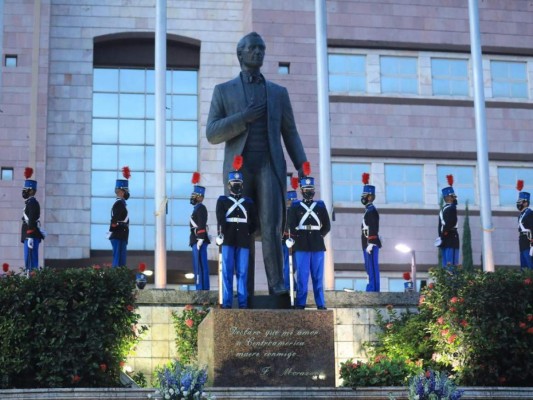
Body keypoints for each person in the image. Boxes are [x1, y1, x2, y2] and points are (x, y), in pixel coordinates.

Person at [206, 32, 308, 297]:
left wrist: (302, 165)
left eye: (261, 48)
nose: (257, 52)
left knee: (272, 225)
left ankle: (278, 285)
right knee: (241, 230)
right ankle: (244, 291)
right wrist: (244, 118)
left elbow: (291, 132)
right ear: (240, 54)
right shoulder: (223, 91)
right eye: (252, 48)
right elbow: (212, 133)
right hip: (239, 171)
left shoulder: (277, 93)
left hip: (268, 166)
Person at [216, 156, 257, 309]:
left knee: (242, 273)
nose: (236, 187)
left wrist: (246, 233)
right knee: (227, 273)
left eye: (239, 184)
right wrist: (224, 233)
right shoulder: (223, 201)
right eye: (234, 184)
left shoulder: (248, 202)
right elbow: (220, 218)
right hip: (228, 239)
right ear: (229, 185)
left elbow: (254, 222)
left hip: (243, 240)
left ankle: (242, 302)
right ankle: (226, 303)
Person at [288, 162, 330, 310]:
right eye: (306, 189)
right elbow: (291, 224)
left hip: (317, 245)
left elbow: (326, 225)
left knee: (318, 277)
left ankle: (321, 304)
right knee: (302, 277)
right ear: (301, 190)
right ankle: (300, 303)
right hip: (301, 244)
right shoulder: (295, 206)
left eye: (310, 189)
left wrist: (319, 236)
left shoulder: (320, 205)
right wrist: (295, 238)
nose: (308, 192)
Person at [360, 173, 382, 292]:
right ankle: (371, 287)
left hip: (370, 243)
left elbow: (373, 227)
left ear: (369, 197)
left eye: (364, 195)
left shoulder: (371, 211)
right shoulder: (368, 210)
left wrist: (372, 242)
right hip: (367, 243)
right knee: (369, 268)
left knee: (372, 268)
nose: (362, 197)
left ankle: (373, 289)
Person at [189, 171, 210, 290]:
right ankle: (200, 287)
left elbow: (201, 224)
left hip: (199, 239)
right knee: (198, 266)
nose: (193, 197)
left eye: (195, 195)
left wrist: (200, 239)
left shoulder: (201, 208)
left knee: (201, 266)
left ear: (200, 197)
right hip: (196, 239)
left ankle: (203, 288)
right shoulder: (196, 209)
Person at [21, 167, 44, 273]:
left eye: (26, 190)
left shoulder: (33, 203)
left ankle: (32, 282)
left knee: (31, 262)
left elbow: (32, 220)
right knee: (27, 261)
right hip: (29, 235)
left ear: (32, 191)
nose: (24, 192)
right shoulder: (29, 203)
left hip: (31, 236)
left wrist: (29, 236)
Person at [109, 166, 130, 268]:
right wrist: (114, 228)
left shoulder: (122, 203)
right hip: (118, 233)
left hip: (121, 234)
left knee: (121, 260)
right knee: (117, 260)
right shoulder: (119, 204)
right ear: (121, 192)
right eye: (125, 191)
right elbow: (114, 220)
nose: (127, 193)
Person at [437, 174, 460, 268]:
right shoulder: (451, 208)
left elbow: (440, 226)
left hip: (445, 238)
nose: (455, 198)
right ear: (448, 198)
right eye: (453, 196)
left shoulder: (443, 209)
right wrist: (445, 233)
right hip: (451, 237)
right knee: (453, 263)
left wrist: (442, 235)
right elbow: (451, 222)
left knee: (446, 263)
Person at [283, 176, 299, 291]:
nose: (291, 203)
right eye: (290, 201)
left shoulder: (299, 212)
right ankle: (289, 286)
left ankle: (293, 285)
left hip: (297, 242)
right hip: (285, 241)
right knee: (287, 266)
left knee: (295, 266)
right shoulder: (284, 213)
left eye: (293, 201)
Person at [516, 179, 533, 270]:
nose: (518, 203)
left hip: (528, 241)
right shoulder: (521, 215)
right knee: (523, 266)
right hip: (522, 241)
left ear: (526, 203)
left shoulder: (530, 213)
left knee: (530, 264)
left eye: (521, 201)